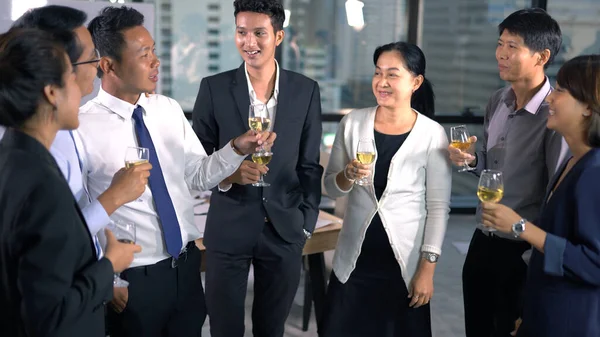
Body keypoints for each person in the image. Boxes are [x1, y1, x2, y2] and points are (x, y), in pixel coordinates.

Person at [79, 6, 272, 337]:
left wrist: (236, 149)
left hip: (185, 267)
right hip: (131, 278)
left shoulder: (165, 109)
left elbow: (198, 175)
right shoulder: (81, 126)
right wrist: (108, 278)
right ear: (107, 65)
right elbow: (78, 215)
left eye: (154, 50)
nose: (155, 61)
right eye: (143, 54)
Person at [192, 0, 323, 336]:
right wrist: (230, 175)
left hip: (284, 231)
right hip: (228, 228)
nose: (249, 42)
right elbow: (197, 161)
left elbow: (309, 165)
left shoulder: (305, 90)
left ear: (278, 36)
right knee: (224, 328)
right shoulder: (214, 88)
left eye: (259, 33)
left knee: (271, 329)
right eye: (241, 32)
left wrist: (305, 224)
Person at [0, 28, 140, 337]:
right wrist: (109, 266)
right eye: (72, 79)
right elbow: (50, 315)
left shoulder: (14, 155)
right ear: (52, 92)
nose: (84, 90)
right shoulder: (42, 185)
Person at [447, 8, 568, 337]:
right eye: (500, 43)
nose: (501, 53)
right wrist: (471, 162)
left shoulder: (555, 115)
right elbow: (493, 171)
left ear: (542, 56)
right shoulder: (497, 101)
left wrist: (534, 263)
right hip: (483, 240)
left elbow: (556, 195)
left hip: (523, 251)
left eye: (512, 46)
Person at [320, 41, 451, 337]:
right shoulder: (353, 123)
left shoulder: (432, 135)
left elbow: (438, 208)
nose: (382, 82)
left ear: (416, 82)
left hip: (403, 268)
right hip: (352, 265)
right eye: (378, 73)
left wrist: (427, 270)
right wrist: (347, 175)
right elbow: (331, 188)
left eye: (393, 74)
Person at [5, 5, 151, 261]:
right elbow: (53, 245)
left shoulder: (61, 129)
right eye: (91, 59)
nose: (97, 70)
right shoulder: (35, 158)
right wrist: (104, 272)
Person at [481, 54, 600, 337]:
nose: (550, 98)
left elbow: (594, 263)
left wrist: (520, 227)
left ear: (587, 107)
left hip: (573, 321)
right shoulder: (573, 161)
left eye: (560, 91)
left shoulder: (594, 171)